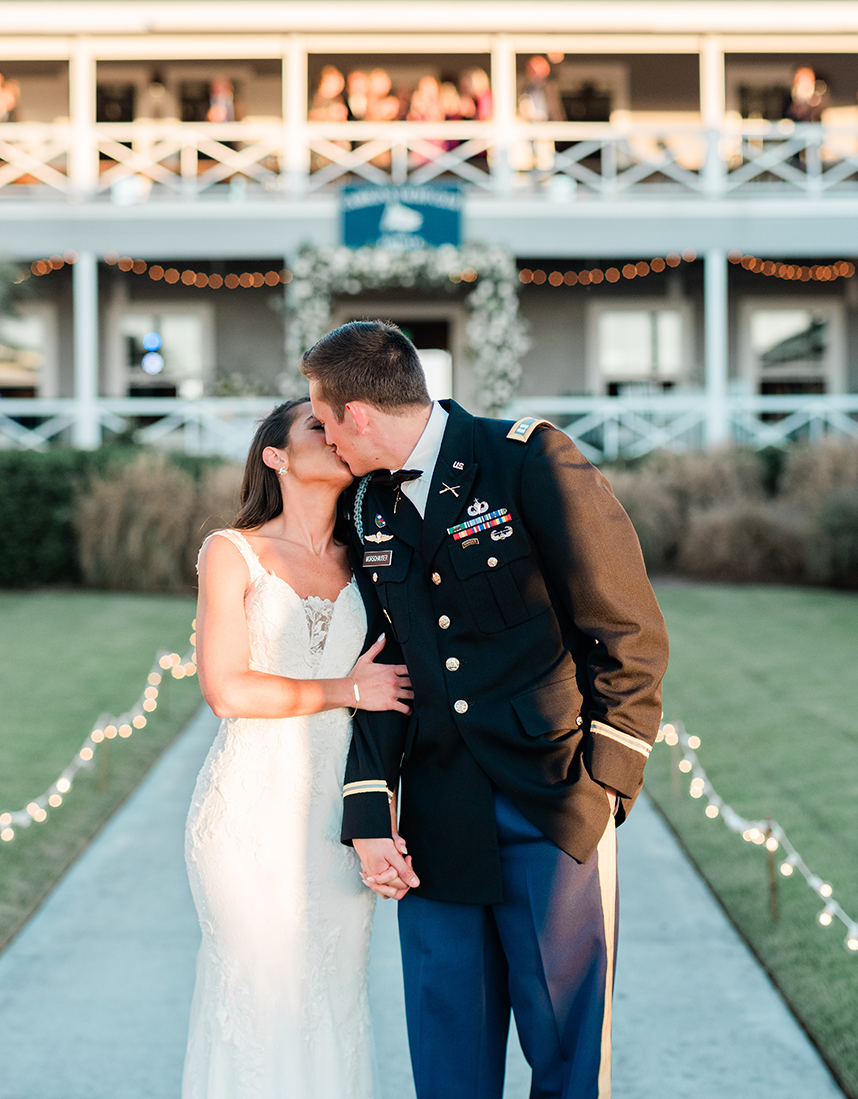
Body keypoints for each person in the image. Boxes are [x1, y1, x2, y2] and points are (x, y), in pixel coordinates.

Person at [303, 321, 669, 1099]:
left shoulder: (527, 458)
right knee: (447, 1056)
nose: (327, 439)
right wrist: (371, 809)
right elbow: (381, 665)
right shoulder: (368, 506)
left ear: (358, 414)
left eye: (326, 420)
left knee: (566, 1052)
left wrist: (605, 780)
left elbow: (626, 627)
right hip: (437, 816)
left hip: (551, 799)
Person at [185, 397, 415, 1098]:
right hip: (248, 818)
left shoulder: (373, 558)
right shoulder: (234, 552)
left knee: (332, 1004)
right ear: (275, 456)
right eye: (315, 426)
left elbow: (398, 697)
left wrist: (381, 818)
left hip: (332, 826)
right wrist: (345, 688)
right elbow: (227, 690)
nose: (335, 434)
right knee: (258, 1004)